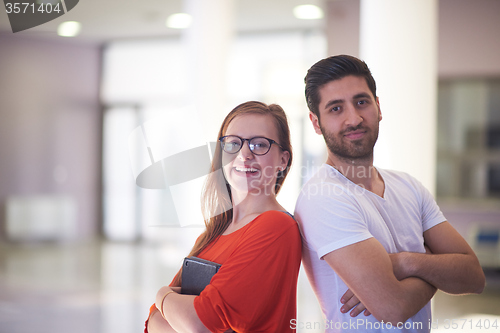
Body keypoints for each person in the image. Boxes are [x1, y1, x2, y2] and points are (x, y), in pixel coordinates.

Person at [294, 55, 485, 332]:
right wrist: (431, 262)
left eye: (361, 102)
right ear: (315, 122)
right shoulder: (323, 196)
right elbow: (393, 308)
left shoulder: (408, 185)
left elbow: (474, 277)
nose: (354, 118)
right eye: (336, 108)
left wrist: (404, 262)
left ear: (378, 106)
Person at [145, 101, 302, 333]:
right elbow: (154, 321)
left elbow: (197, 323)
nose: (244, 154)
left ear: (283, 160)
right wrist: (171, 308)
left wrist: (162, 294)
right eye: (233, 144)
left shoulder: (276, 227)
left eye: (259, 144)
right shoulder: (212, 234)